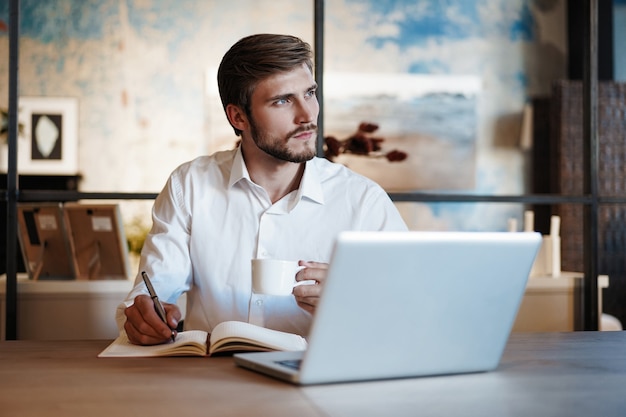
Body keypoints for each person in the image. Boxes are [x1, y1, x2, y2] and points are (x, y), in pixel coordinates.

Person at [117, 33, 408, 346]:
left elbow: (409, 311)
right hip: (211, 384)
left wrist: (353, 305)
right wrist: (143, 316)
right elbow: (152, 293)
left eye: (310, 93)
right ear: (238, 117)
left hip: (319, 386)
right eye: (282, 100)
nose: (308, 116)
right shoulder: (189, 186)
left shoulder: (363, 200)